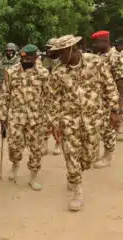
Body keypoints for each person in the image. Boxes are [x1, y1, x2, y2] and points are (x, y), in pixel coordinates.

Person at [46, 35, 119, 211]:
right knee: (71, 153)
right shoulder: (58, 72)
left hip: (93, 119)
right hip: (69, 120)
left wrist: (115, 110)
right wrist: (54, 123)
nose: (59, 57)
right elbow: (53, 99)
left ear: (72, 48)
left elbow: (109, 85)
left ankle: (76, 173)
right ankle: (77, 190)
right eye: (56, 54)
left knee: (88, 157)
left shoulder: (95, 62)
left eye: (61, 52)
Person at [0, 44, 49, 191]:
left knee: (36, 149)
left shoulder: (43, 73)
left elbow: (48, 96)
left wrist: (49, 119)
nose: (26, 61)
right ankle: (15, 164)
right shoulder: (11, 72)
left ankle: (33, 176)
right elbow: (5, 94)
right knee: (14, 146)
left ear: (36, 57)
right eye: (23, 59)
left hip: (36, 117)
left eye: (29, 59)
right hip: (16, 116)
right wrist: (3, 116)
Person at [91, 30, 123, 168]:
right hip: (97, 100)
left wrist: (118, 106)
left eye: (96, 42)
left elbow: (121, 83)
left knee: (108, 129)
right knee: (98, 127)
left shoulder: (115, 57)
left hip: (109, 100)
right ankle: (97, 153)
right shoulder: (100, 56)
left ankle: (108, 156)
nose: (95, 45)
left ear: (104, 41)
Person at [41, 38, 62, 156]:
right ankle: (44, 144)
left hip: (58, 96)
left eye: (50, 48)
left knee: (57, 122)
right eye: (47, 48)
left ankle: (58, 143)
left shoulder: (62, 61)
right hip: (46, 95)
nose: (48, 50)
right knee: (45, 121)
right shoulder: (45, 60)